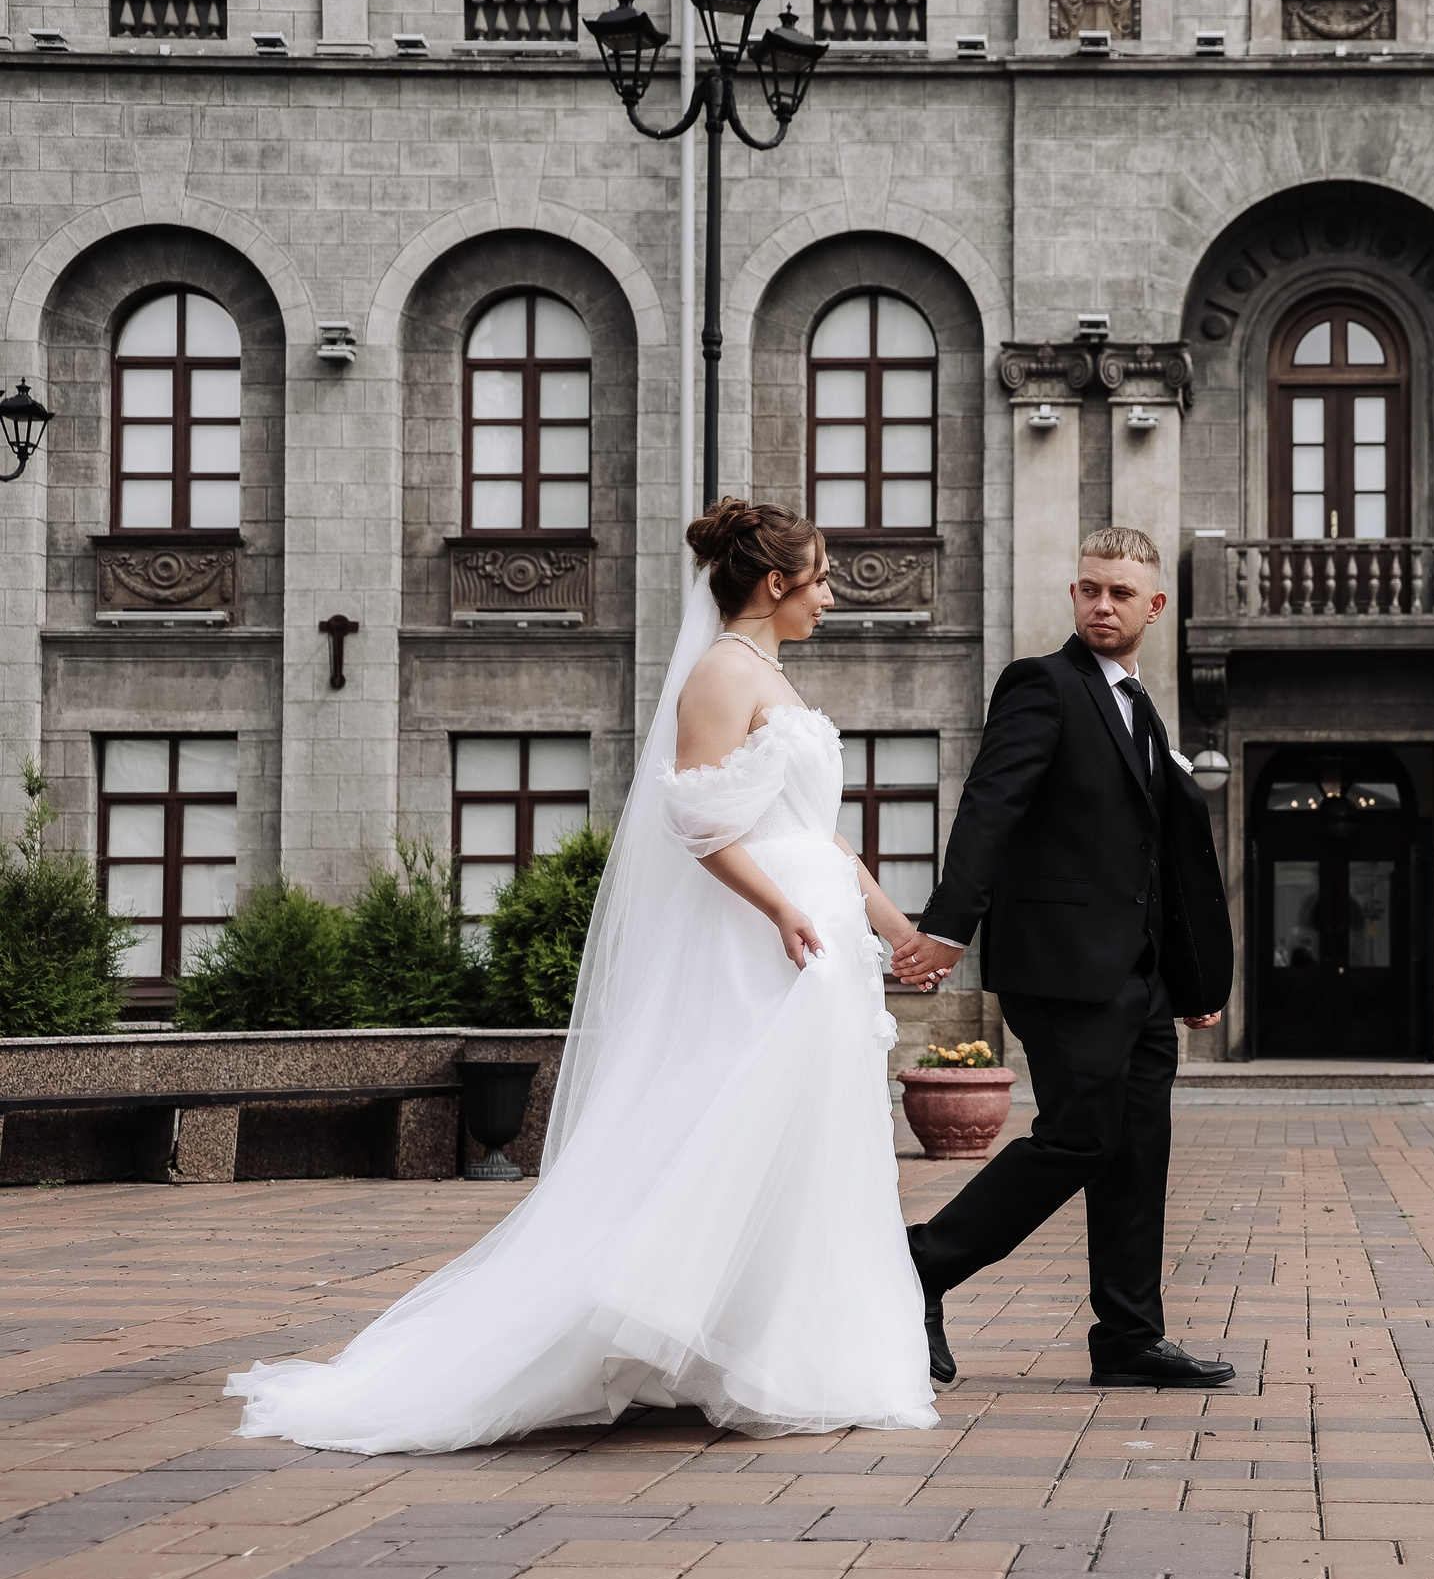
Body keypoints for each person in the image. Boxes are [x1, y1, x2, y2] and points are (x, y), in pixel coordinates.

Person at [224, 500, 939, 1453]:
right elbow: (697, 825)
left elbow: (817, 831)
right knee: (738, 1134)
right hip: (767, 946)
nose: (833, 596)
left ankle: (776, 1347)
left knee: (811, 1145)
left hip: (816, 942)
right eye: (823, 578)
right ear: (777, 583)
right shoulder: (722, 675)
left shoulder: (773, 675)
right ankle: (694, 1336)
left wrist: (898, 929)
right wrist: (777, 907)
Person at [889, 526, 1236, 1390]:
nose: (1101, 605)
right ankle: (920, 1266)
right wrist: (947, 923)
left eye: (1120, 593)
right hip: (1060, 964)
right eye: (1089, 589)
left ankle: (1128, 1337)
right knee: (1080, 1136)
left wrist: (1190, 978)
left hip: (1142, 978)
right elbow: (989, 807)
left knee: (1137, 1150)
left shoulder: (1142, 708)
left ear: (1154, 606)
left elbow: (1161, 854)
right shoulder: (1041, 684)